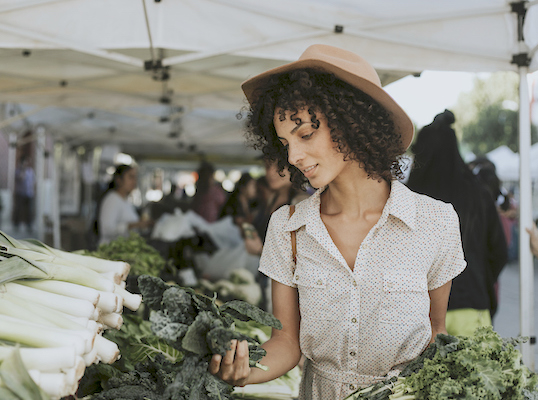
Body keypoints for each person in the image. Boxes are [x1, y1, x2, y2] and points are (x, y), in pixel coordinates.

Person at [209, 44, 466, 399]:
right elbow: (286, 341)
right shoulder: (288, 228)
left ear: (352, 123)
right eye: (284, 143)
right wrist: (245, 369)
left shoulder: (434, 222)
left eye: (305, 135)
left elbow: (436, 334)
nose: (294, 156)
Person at [406, 110, 508, 336]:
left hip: (417, 313)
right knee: (479, 371)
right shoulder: (479, 194)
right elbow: (499, 251)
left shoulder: (409, 196)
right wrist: (477, 276)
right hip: (470, 306)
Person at [94, 164, 152, 245]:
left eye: (135, 177)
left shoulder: (127, 201)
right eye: (130, 177)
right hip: (110, 250)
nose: (134, 181)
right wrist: (132, 225)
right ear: (119, 180)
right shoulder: (112, 199)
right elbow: (106, 230)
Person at [13, 156, 36, 232]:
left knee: (28, 210)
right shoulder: (18, 171)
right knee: (18, 209)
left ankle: (29, 225)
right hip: (20, 193)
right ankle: (16, 225)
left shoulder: (30, 171)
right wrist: (22, 169)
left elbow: (33, 181)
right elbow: (20, 178)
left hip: (29, 194)